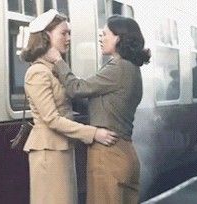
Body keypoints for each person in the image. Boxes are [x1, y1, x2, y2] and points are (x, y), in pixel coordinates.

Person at [48, 15, 150, 204]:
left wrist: (58, 61)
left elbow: (76, 88)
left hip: (108, 153)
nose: (101, 39)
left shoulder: (118, 67)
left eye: (105, 34)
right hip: (124, 151)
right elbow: (102, 103)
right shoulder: (133, 69)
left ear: (118, 38)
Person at [20, 9, 118, 204]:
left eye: (69, 33)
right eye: (63, 33)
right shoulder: (38, 73)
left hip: (59, 148)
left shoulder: (53, 69)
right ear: (46, 36)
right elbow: (51, 119)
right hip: (49, 151)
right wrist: (93, 133)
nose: (68, 38)